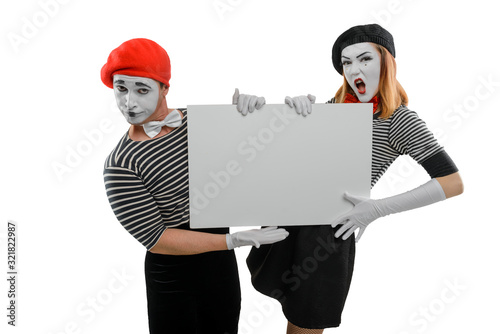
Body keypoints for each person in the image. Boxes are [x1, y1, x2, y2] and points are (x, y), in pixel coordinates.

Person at [241, 24, 464, 333]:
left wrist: (376, 209)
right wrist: (269, 112)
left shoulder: (399, 120)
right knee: (290, 315)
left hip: (326, 235)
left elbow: (452, 182)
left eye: (364, 59)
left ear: (386, 62)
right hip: (288, 221)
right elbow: (287, 158)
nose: (353, 69)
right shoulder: (334, 108)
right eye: (346, 63)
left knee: (305, 324)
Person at [100, 38, 288, 334]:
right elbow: (157, 238)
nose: (129, 102)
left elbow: (252, 155)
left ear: (165, 88)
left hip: (220, 266)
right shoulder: (120, 164)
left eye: (142, 89)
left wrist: (249, 115)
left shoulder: (201, 122)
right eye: (121, 88)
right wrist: (232, 241)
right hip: (173, 273)